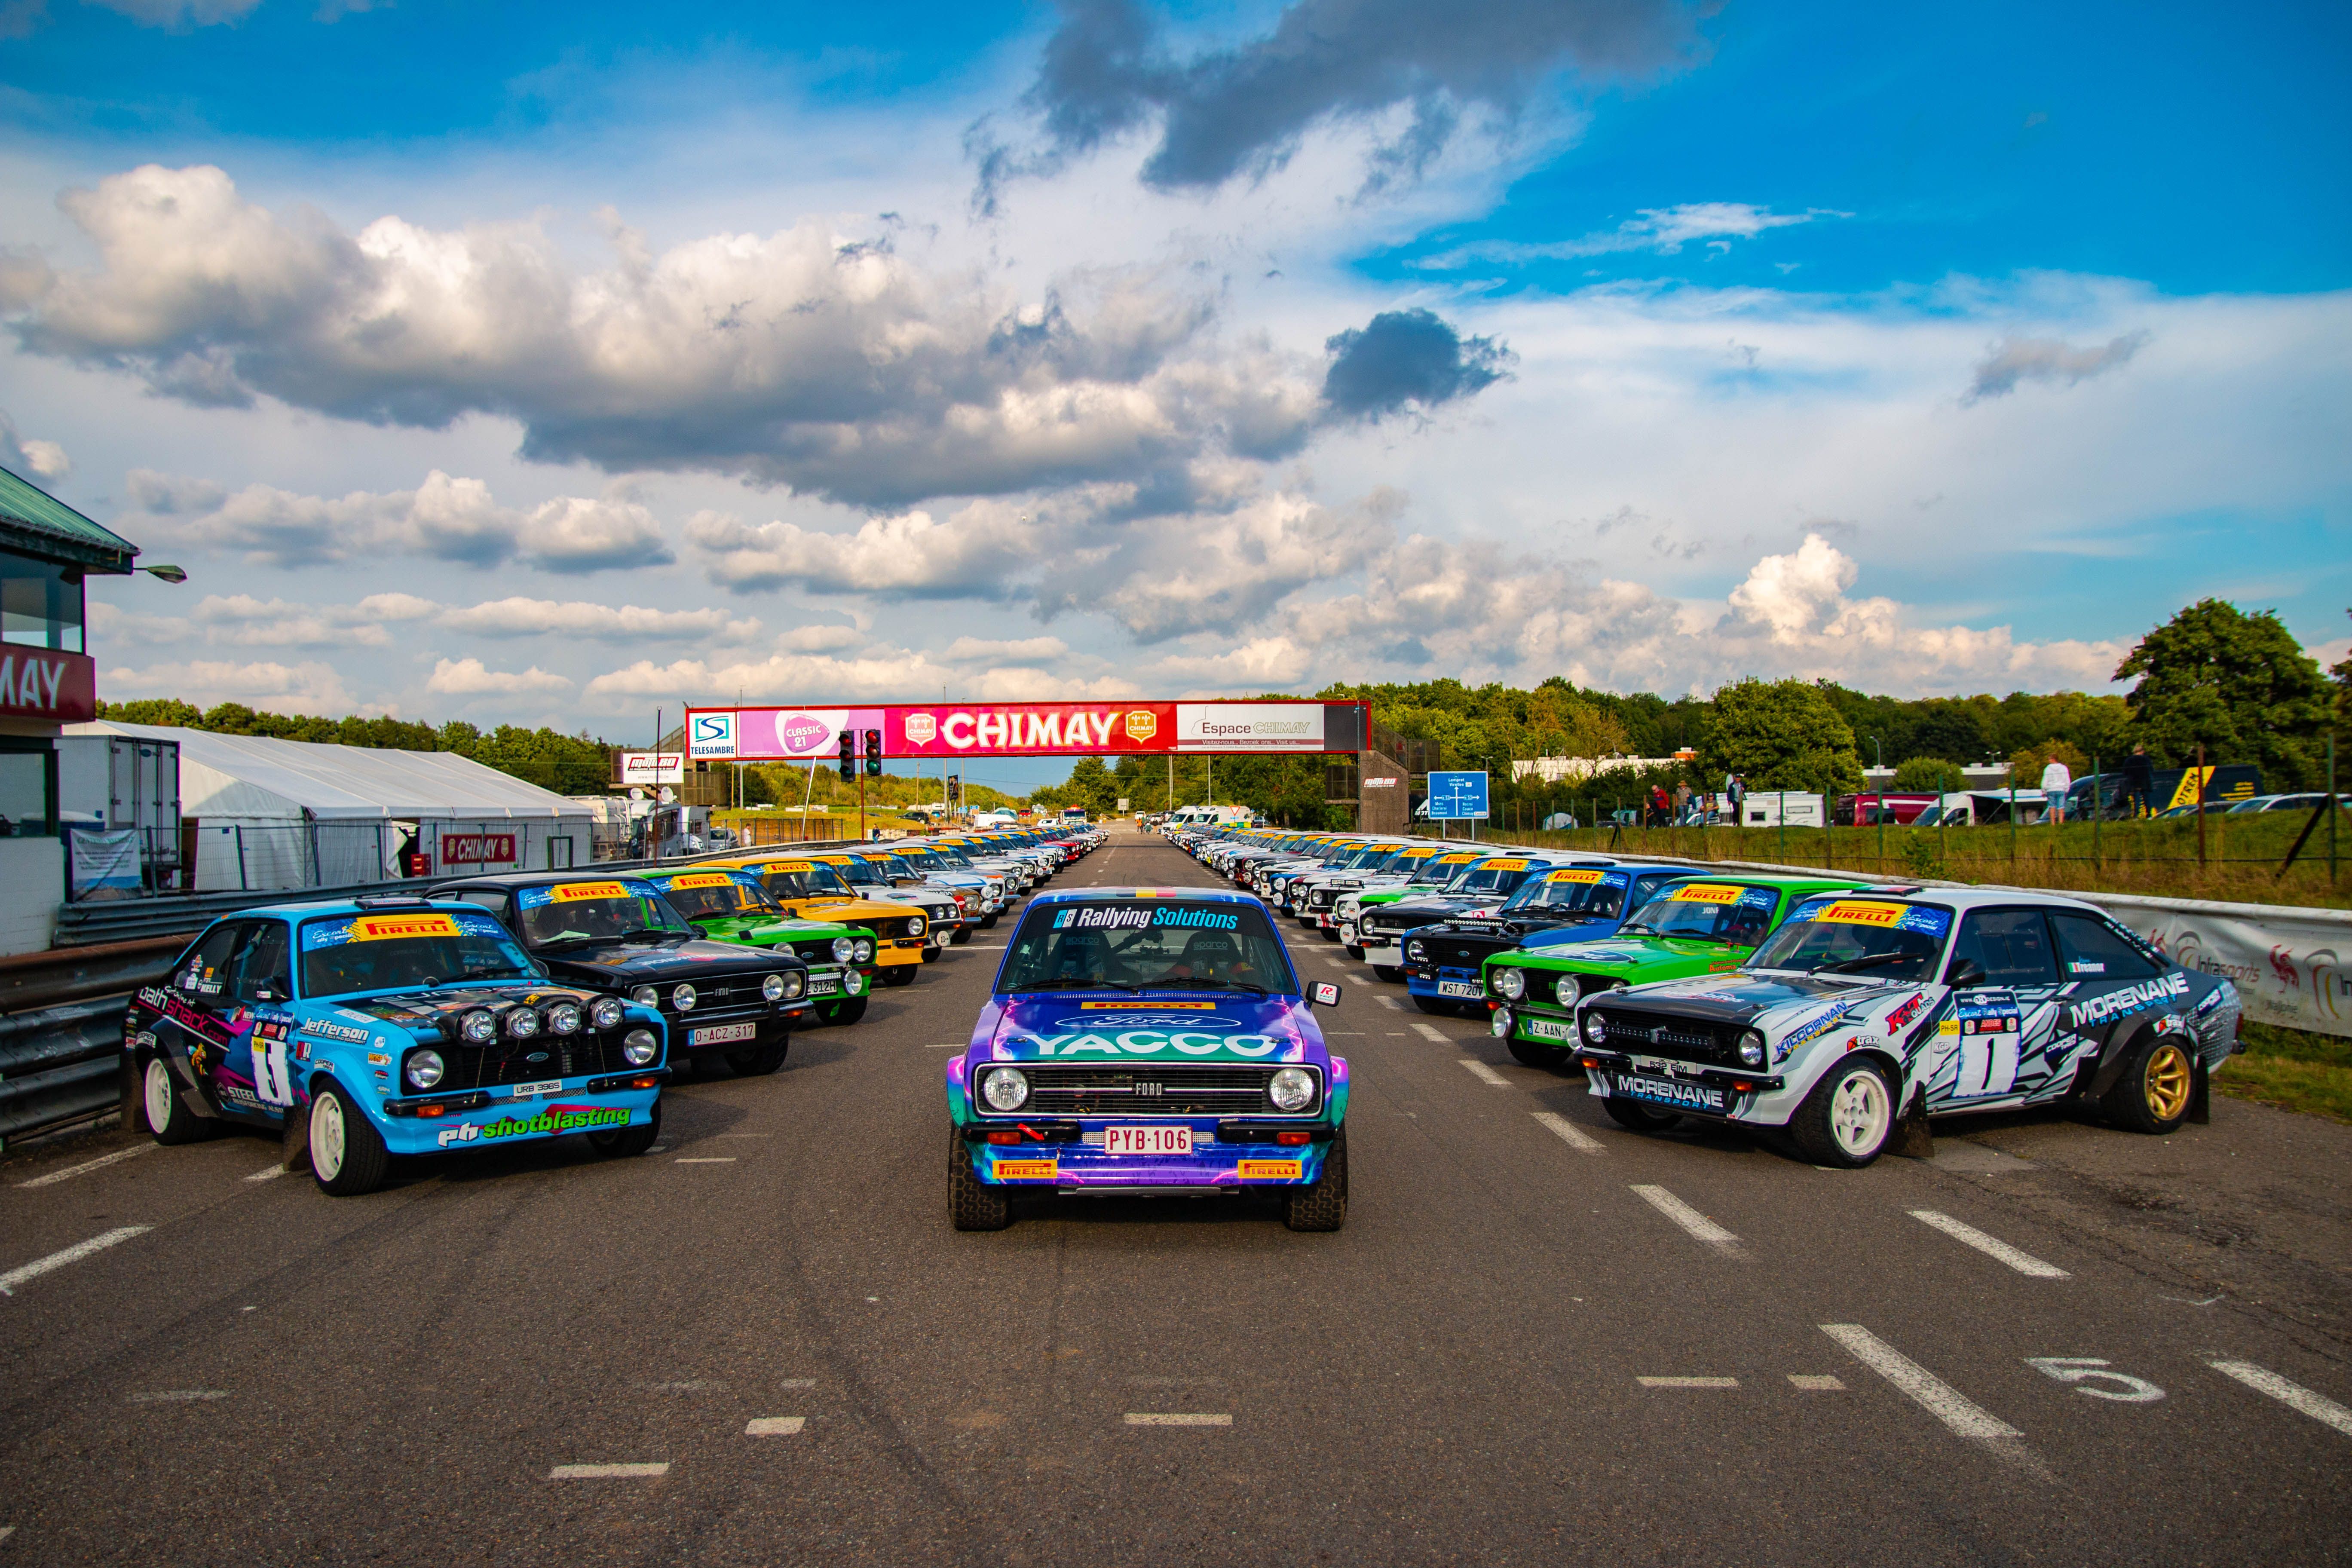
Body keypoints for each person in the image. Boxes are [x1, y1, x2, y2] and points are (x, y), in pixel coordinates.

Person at [2121, 744, 2154, 819]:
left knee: (2137, 802)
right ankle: (2149, 816)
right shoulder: (2146, 760)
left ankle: (2136, 817)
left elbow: (2125, 772)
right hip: (2146, 783)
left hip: (2134, 784)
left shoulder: (2129, 760)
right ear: (2142, 751)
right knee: (2147, 801)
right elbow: (2152, 770)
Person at [2041, 752, 2073, 825]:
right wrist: (2067, 789)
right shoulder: (2064, 768)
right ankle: (2061, 823)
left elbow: (2045, 780)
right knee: (2061, 807)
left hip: (2051, 789)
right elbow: (2067, 779)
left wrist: (2044, 790)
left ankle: (2053, 824)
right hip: (2061, 789)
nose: (2049, 760)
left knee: (2052, 807)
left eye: (2049, 759)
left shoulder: (2048, 769)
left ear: (2053, 759)